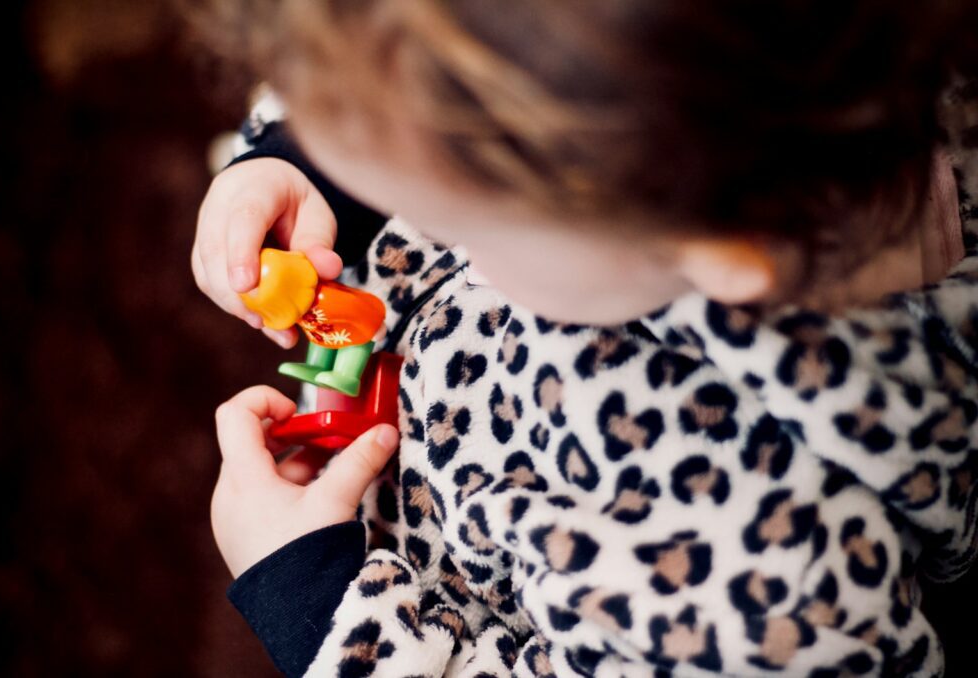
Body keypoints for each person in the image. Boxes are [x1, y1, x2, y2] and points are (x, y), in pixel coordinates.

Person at [190, 2, 978, 675]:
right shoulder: (616, 127)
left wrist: (317, 605)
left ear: (726, 254)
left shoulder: (740, 551)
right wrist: (300, 158)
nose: (389, 200)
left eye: (449, 212)